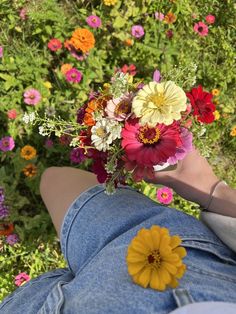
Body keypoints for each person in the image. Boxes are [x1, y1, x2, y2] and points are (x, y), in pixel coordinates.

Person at [0, 149, 236, 313]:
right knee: (55, 180)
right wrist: (211, 190)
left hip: (184, 266)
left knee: (55, 181)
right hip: (170, 256)